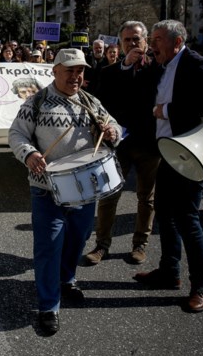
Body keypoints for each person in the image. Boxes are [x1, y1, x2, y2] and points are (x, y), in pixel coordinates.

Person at [9, 48, 121, 336]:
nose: (76, 75)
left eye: (80, 70)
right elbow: (16, 134)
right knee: (48, 246)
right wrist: (29, 153)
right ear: (55, 70)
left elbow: (114, 126)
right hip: (46, 189)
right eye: (70, 70)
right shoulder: (36, 103)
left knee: (78, 238)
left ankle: (67, 278)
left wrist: (112, 133)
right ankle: (49, 306)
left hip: (85, 189)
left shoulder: (90, 101)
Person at [133, 20, 203, 314]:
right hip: (170, 152)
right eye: (152, 38)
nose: (152, 44)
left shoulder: (197, 65)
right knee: (165, 211)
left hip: (192, 155)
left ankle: (201, 285)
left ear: (176, 41)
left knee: (186, 217)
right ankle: (169, 272)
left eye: (157, 39)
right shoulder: (161, 65)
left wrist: (166, 110)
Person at [86, 21, 163, 265]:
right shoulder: (109, 73)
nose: (132, 43)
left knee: (146, 197)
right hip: (118, 144)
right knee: (109, 195)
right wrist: (126, 67)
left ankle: (140, 244)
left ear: (146, 41)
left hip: (149, 144)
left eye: (136, 39)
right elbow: (100, 104)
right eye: (127, 40)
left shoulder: (159, 70)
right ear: (119, 44)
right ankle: (101, 245)